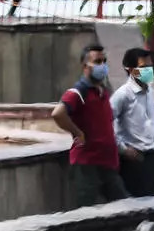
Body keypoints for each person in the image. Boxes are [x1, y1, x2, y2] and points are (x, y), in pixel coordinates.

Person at [52, 44, 128, 207]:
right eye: (97, 62)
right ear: (85, 66)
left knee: (123, 206)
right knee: (84, 213)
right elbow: (58, 114)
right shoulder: (78, 92)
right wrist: (77, 133)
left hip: (107, 163)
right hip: (87, 164)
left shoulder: (103, 92)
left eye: (104, 61)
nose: (102, 66)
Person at [110, 47, 154, 197]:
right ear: (130, 70)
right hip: (135, 160)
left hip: (152, 156)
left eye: (150, 66)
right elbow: (105, 122)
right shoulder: (123, 95)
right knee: (138, 205)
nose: (148, 71)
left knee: (153, 199)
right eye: (143, 67)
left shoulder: (149, 91)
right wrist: (122, 148)